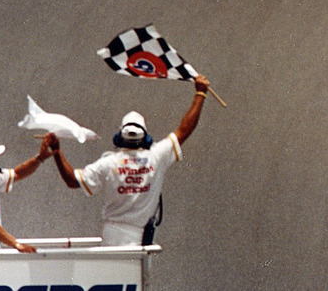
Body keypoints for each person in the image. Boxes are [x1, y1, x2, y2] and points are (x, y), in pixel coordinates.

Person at [44, 74, 212, 246]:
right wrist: (200, 94)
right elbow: (185, 129)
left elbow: (73, 180)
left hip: (112, 234)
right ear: (145, 137)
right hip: (141, 235)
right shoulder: (157, 156)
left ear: (119, 137)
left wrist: (57, 152)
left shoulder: (108, 163)